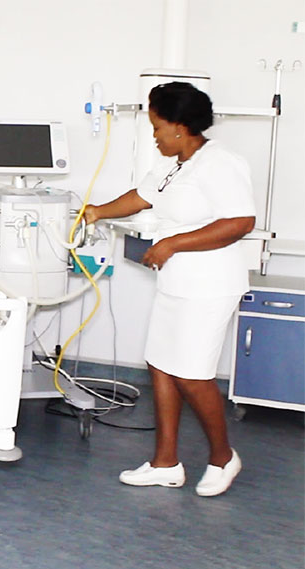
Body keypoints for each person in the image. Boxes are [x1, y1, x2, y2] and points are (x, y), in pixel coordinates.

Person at [84, 82, 255, 497]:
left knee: (193, 376)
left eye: (158, 127)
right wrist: (98, 212)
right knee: (160, 364)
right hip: (177, 283)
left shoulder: (220, 163)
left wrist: (171, 243)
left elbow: (239, 222)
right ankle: (165, 463)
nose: (154, 135)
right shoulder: (171, 163)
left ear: (180, 126)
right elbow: (141, 198)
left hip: (211, 285)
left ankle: (222, 457)